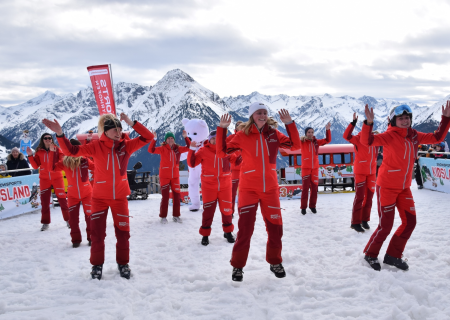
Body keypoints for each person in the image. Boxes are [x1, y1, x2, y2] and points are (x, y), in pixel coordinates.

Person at [42, 113, 154, 280]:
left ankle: (123, 263)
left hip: (120, 197)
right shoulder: (96, 146)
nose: (118, 132)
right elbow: (71, 151)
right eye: (114, 129)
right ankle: (96, 266)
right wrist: (60, 134)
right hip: (99, 198)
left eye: (120, 129)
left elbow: (149, 136)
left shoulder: (127, 146)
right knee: (97, 234)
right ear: (106, 132)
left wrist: (131, 122)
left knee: (123, 232)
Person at [216, 102, 301, 282]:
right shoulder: (242, 135)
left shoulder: (274, 134)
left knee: (276, 229)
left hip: (270, 189)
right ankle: (237, 266)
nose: (262, 115)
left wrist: (290, 124)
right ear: (252, 116)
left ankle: (275, 261)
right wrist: (222, 129)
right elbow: (221, 152)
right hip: (248, 189)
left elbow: (295, 147)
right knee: (245, 230)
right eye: (258, 113)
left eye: (264, 112)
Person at [361, 102, 450, 271]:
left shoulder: (414, 135)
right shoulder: (389, 136)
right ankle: (370, 254)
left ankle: (393, 255)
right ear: (393, 120)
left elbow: (437, 137)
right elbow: (368, 141)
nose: (404, 121)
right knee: (385, 226)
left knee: (410, 222)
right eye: (400, 118)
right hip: (386, 187)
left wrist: (445, 118)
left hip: (404, 188)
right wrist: (368, 124)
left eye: (407, 118)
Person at [187, 130, 235, 246]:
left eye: (217, 138)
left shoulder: (227, 150)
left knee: (227, 210)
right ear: (209, 139)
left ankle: (228, 232)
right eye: (213, 138)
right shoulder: (203, 150)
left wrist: (243, 150)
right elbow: (192, 163)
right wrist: (192, 150)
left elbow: (237, 161)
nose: (215, 140)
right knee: (208, 211)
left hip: (225, 186)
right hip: (209, 186)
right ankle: (205, 235)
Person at [54, 139, 95, 248]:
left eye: (76, 149)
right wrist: (56, 154)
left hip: (87, 193)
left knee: (90, 216)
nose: (74, 151)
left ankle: (91, 238)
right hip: (72, 194)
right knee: (73, 219)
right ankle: (76, 240)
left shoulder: (85, 160)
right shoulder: (64, 162)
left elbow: (96, 167)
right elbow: (53, 168)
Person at [343, 112, 379, 232]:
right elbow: (346, 136)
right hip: (360, 172)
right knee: (359, 197)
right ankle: (355, 222)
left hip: (372, 172)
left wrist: (390, 124)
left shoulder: (375, 139)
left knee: (369, 197)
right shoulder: (357, 139)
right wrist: (353, 123)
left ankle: (365, 220)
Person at [26, 133, 70, 231]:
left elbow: (62, 161)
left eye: (49, 138)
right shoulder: (39, 152)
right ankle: (45, 223)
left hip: (57, 177)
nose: (47, 139)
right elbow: (35, 166)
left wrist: (53, 153)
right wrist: (30, 155)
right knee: (45, 202)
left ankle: (68, 220)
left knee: (62, 200)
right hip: (44, 179)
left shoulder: (57, 150)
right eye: (45, 138)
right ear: (42, 140)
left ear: (52, 139)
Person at [148, 130, 190, 223]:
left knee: (176, 196)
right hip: (164, 176)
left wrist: (186, 137)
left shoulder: (177, 148)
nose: (170, 140)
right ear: (166, 140)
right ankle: (163, 217)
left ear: (174, 140)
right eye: (168, 138)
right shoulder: (162, 148)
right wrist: (154, 139)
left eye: (172, 138)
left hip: (175, 176)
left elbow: (189, 147)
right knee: (165, 197)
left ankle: (176, 216)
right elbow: (151, 150)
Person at [299, 122, 332, 215]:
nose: (310, 134)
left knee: (314, 188)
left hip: (315, 168)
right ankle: (303, 207)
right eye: (309, 132)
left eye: (312, 132)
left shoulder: (316, 142)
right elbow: (293, 142)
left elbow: (328, 140)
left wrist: (327, 130)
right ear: (305, 133)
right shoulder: (302, 142)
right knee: (305, 189)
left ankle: (312, 206)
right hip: (305, 168)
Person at [229, 121, 243, 217]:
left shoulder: (247, 138)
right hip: (234, 170)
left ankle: (243, 211)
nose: (240, 127)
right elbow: (225, 150)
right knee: (232, 194)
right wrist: (235, 158)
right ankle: (230, 212)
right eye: (238, 126)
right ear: (235, 128)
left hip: (245, 170)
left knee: (243, 194)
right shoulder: (230, 138)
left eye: (242, 126)